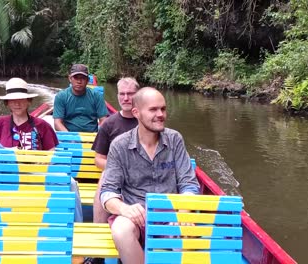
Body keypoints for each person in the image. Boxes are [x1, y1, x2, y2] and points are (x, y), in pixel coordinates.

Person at [100, 87, 200, 264]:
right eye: (153, 109)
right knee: (121, 230)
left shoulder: (175, 139)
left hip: (171, 213)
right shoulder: (119, 145)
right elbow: (108, 192)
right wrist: (125, 209)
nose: (160, 114)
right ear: (136, 112)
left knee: (187, 237)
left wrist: (183, 212)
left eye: (163, 108)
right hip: (135, 214)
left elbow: (189, 184)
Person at [0, 77, 83, 221]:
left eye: (21, 99)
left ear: (29, 101)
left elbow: (53, 153)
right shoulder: (0, 122)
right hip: (8, 175)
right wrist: (14, 153)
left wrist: (45, 161)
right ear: (7, 103)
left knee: (70, 183)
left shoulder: (42, 125)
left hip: (36, 173)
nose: (17, 103)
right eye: (13, 100)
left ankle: (76, 226)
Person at [91, 77, 139, 224]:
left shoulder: (147, 121)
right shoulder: (109, 124)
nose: (126, 98)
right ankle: (98, 226)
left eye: (130, 94)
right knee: (106, 175)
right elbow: (99, 160)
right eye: (122, 94)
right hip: (116, 176)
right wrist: (122, 169)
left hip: (145, 174)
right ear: (117, 95)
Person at [53, 64, 108, 132]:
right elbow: (57, 123)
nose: (79, 81)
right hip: (69, 136)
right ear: (70, 79)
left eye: (82, 78)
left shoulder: (97, 96)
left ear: (87, 80)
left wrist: (99, 136)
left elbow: (104, 120)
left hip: (92, 136)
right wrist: (70, 137)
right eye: (76, 78)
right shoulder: (61, 97)